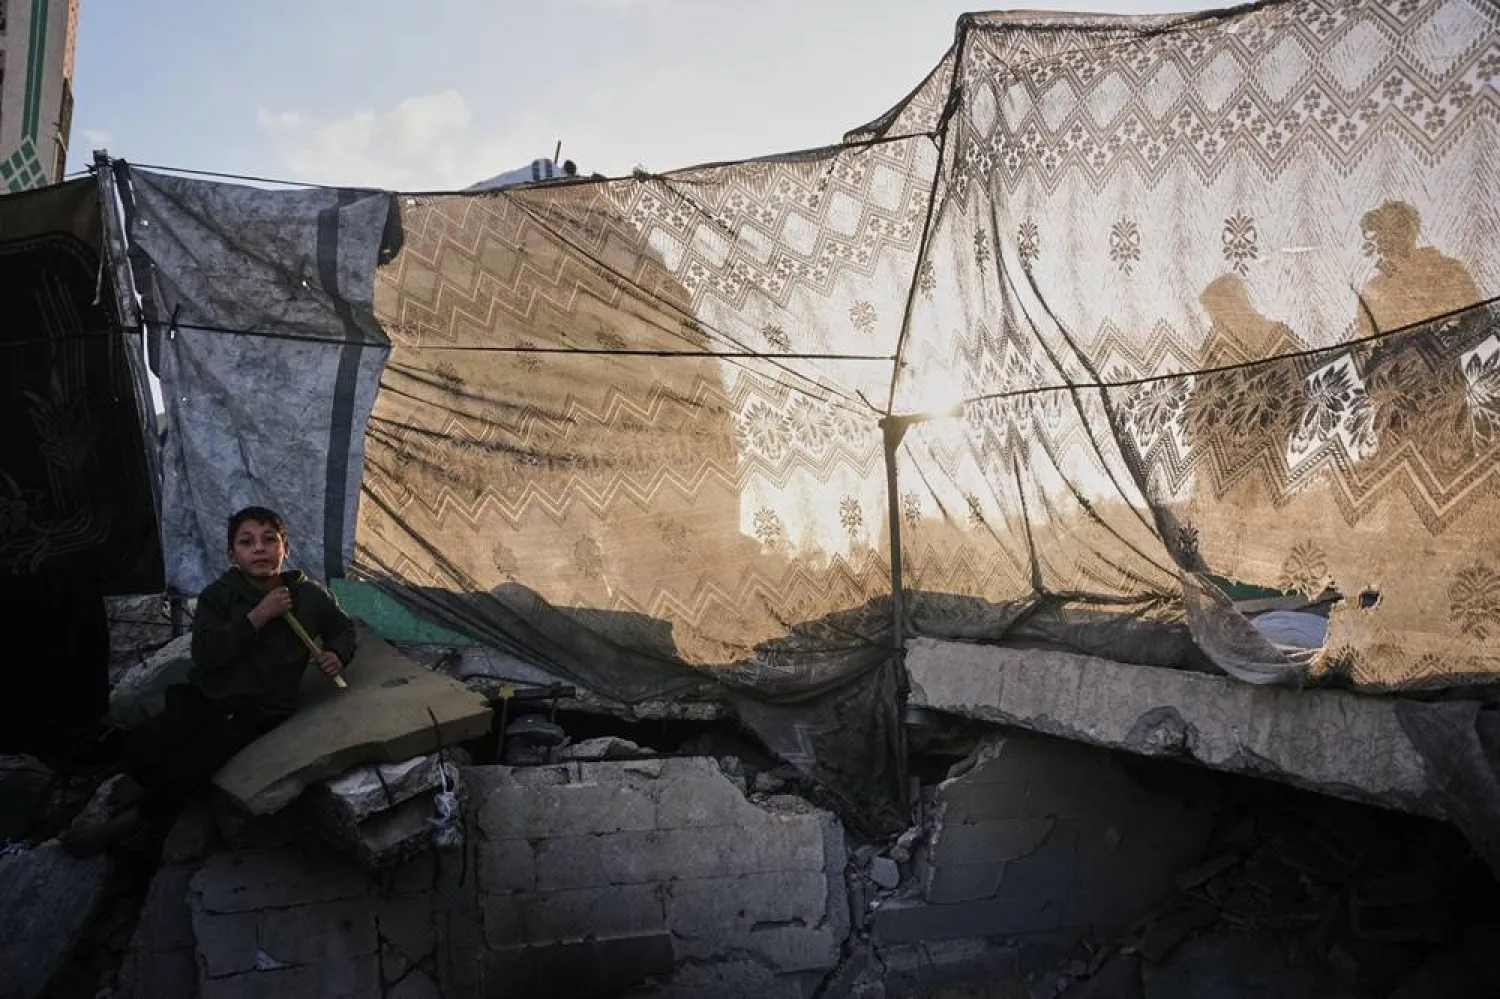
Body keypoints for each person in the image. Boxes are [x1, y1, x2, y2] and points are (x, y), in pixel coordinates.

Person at [60, 506, 357, 854]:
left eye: (269, 540)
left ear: (285, 549)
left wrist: (337, 653)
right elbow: (207, 654)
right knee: (143, 748)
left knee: (190, 769)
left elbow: (343, 628)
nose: (259, 548)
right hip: (209, 694)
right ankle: (141, 780)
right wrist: (258, 616)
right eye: (247, 542)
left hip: (260, 709)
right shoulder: (219, 596)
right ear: (233, 556)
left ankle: (127, 825)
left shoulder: (309, 596)